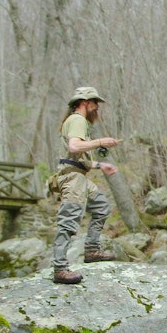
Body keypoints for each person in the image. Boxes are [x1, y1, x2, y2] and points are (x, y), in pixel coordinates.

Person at [52, 86, 121, 284]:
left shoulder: (77, 121)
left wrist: (101, 165)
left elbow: (76, 156)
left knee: (101, 206)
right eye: (95, 102)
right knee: (68, 222)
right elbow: (75, 146)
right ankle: (59, 268)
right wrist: (100, 142)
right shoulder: (77, 120)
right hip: (73, 180)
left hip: (79, 177)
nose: (97, 106)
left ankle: (91, 250)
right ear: (84, 102)